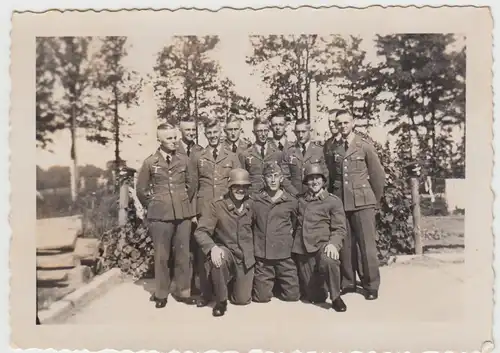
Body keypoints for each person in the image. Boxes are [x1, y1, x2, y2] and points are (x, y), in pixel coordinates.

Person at [136, 123, 198, 308]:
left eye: (175, 137)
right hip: (160, 216)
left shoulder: (184, 160)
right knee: (161, 256)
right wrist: (155, 204)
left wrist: (181, 200)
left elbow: (192, 184)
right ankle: (161, 293)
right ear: (159, 140)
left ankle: (183, 291)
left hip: (182, 213)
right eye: (169, 138)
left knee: (183, 254)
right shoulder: (150, 162)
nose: (174, 141)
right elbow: (141, 190)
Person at [329, 109, 385, 300]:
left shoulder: (364, 146)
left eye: (346, 122)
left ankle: (371, 285)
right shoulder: (334, 148)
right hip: (341, 202)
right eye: (339, 123)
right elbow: (332, 175)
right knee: (346, 245)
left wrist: (374, 201)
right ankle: (348, 282)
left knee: (367, 246)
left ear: (353, 123)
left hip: (363, 203)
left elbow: (378, 176)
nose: (342, 126)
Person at [190, 117, 241, 307]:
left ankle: (225, 290)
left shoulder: (232, 156)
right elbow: (193, 186)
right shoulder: (198, 157)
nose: (212, 136)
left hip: (224, 208)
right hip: (204, 209)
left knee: (225, 246)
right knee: (204, 250)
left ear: (221, 133)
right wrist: (194, 211)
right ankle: (205, 293)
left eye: (215, 132)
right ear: (205, 135)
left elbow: (237, 185)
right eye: (209, 133)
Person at [193, 168, 255, 317]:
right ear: (230, 186)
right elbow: (200, 231)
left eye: (244, 187)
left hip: (245, 256)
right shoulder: (216, 205)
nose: (240, 190)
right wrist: (212, 247)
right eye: (236, 186)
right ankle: (221, 301)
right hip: (226, 251)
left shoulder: (252, 204)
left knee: (242, 300)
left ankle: (229, 284)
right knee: (218, 259)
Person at [292, 163, 348, 312]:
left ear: (323, 181)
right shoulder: (299, 200)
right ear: (306, 182)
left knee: (329, 259)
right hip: (303, 249)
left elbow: (340, 228)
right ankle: (320, 287)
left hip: (322, 246)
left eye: (317, 178)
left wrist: (334, 244)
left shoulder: (332, 201)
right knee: (315, 297)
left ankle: (336, 297)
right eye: (310, 179)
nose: (314, 182)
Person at [251, 161, 300, 303]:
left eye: (276, 176)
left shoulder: (291, 201)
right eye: (269, 176)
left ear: (281, 178)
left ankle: (278, 285)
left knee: (292, 296)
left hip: (284, 255)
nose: (272, 180)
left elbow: (295, 223)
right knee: (261, 298)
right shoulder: (256, 200)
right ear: (263, 179)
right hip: (263, 256)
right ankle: (270, 285)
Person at [280, 119, 329, 196]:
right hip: (294, 196)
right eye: (298, 132)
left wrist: (318, 193)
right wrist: (295, 193)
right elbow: (284, 177)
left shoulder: (318, 150)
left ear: (310, 131)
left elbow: (325, 176)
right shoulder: (288, 151)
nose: (300, 135)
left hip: (314, 196)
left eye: (303, 131)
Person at [240, 117, 282, 195]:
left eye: (265, 130)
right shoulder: (245, 154)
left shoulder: (277, 153)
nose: (263, 134)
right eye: (259, 131)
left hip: (272, 196)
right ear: (254, 132)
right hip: (253, 197)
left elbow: (281, 177)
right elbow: (242, 180)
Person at [323, 113, 343, 193]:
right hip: (332, 188)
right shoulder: (328, 143)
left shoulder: (348, 142)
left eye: (333, 122)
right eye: (329, 122)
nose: (331, 125)